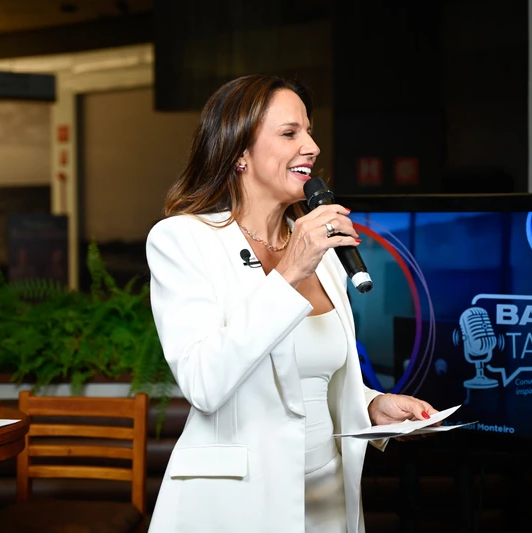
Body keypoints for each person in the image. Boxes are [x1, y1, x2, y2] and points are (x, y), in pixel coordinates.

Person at [145, 74, 438, 533]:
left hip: (329, 498)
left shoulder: (321, 251)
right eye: (289, 133)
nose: (312, 147)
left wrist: (372, 405)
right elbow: (204, 383)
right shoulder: (183, 240)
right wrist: (289, 272)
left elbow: (313, 381)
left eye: (309, 131)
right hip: (235, 505)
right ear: (239, 152)